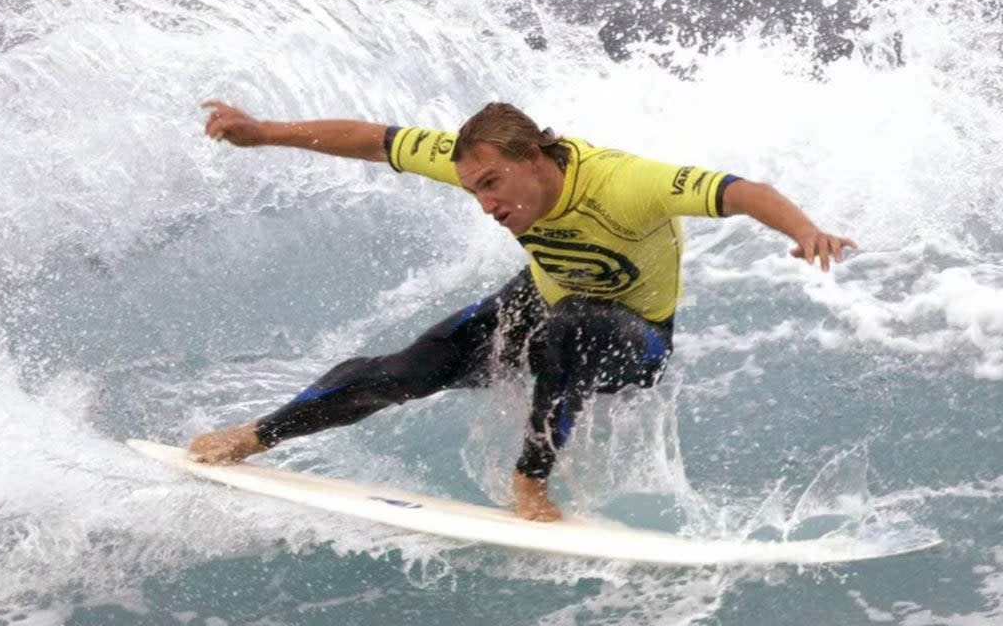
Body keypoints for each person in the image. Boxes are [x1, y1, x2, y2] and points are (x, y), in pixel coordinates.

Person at [188, 99, 855, 521]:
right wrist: (263, 132)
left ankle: (530, 484)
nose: (485, 204)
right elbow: (372, 138)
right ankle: (258, 434)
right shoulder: (478, 159)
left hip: (636, 338)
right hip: (542, 300)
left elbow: (742, 191)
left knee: (573, 329)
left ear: (532, 157)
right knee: (411, 367)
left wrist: (803, 230)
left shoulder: (625, 185)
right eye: (475, 189)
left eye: (493, 186)